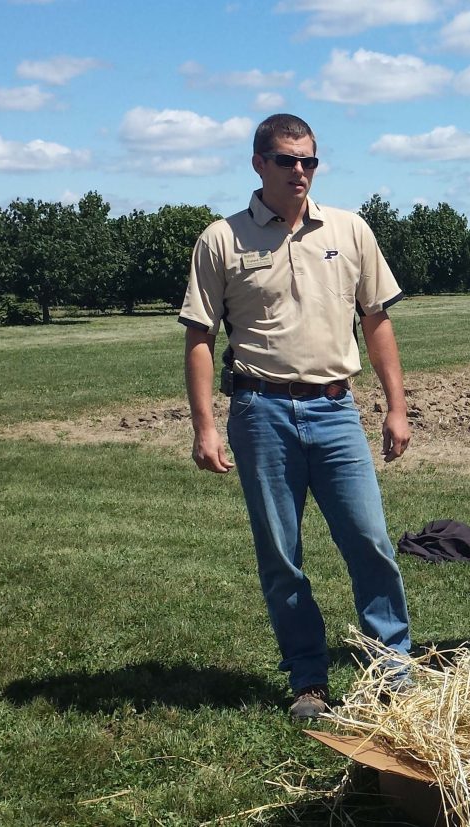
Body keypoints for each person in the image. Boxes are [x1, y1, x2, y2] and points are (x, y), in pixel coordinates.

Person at [179, 114, 412, 718]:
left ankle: (393, 671)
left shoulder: (350, 229)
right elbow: (200, 337)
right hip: (260, 411)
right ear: (259, 163)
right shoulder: (221, 240)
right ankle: (308, 680)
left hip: (336, 411)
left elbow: (376, 320)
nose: (301, 171)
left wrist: (396, 406)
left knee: (370, 541)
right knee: (282, 553)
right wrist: (205, 425)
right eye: (287, 160)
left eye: (309, 160)